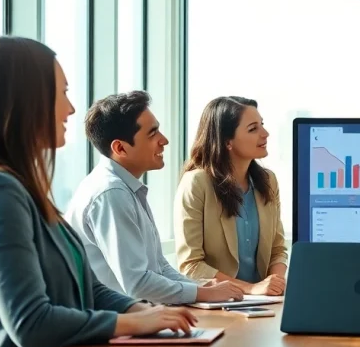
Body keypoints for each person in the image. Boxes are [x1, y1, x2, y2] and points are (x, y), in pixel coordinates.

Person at [0, 35, 196, 347]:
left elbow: (89, 288)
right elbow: (30, 322)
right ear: (23, 102)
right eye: (62, 93)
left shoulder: (22, 190)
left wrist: (140, 310)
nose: (71, 109)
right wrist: (131, 321)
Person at [65, 91, 244, 305]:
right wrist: (204, 294)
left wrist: (203, 287)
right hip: (115, 327)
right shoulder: (111, 194)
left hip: (137, 318)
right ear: (120, 148)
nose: (164, 140)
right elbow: (137, 284)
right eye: (152, 133)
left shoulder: (127, 188)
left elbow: (160, 268)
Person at [175, 96, 288, 295]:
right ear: (227, 141)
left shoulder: (268, 180)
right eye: (253, 129)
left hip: (265, 303)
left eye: (262, 125)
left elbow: (278, 250)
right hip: (218, 304)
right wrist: (250, 289)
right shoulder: (197, 183)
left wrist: (275, 285)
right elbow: (191, 266)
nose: (265, 133)